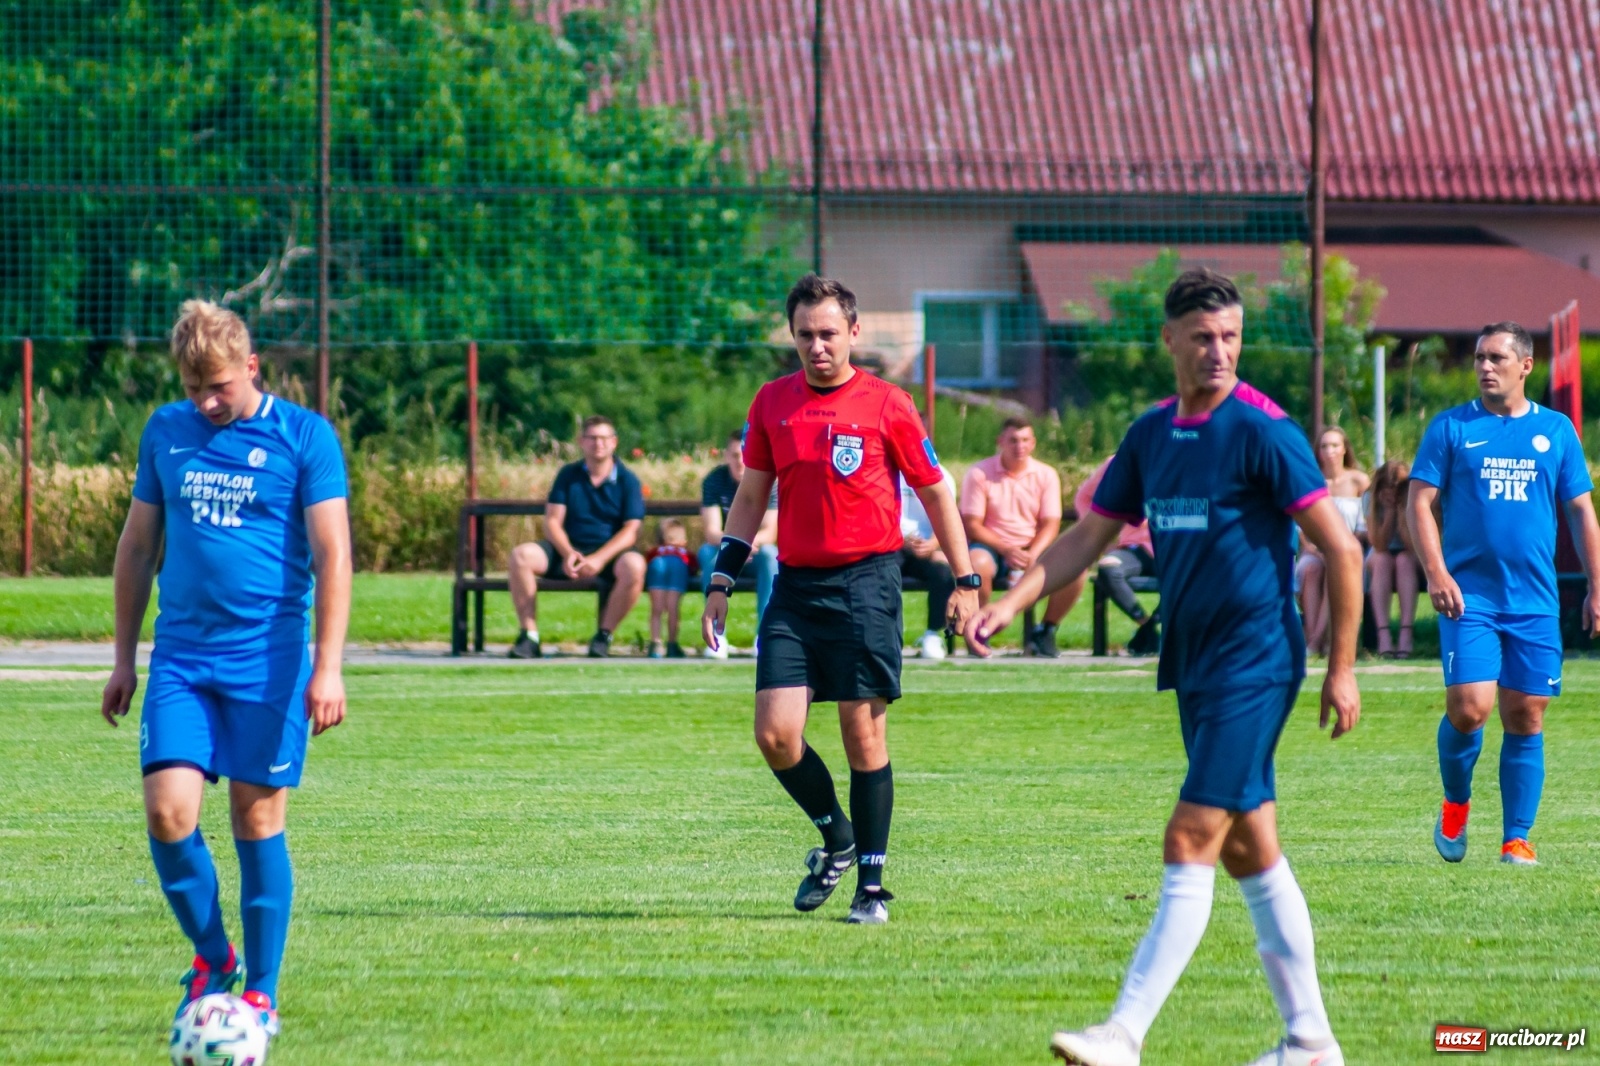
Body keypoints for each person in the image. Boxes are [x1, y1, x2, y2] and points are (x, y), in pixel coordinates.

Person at [966, 269, 1362, 1066]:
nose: (1220, 352)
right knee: (1251, 848)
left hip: (1257, 659)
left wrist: (1341, 669)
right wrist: (1013, 602)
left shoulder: (1266, 431)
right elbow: (1088, 536)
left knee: (1190, 837)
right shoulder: (1151, 435)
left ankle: (1123, 1033)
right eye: (1204, 338)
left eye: (1232, 338)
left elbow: (1342, 550)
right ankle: (1311, 1044)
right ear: (1171, 341)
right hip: (1194, 660)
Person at [99, 300, 351, 1044]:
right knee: (168, 811)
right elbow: (139, 547)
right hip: (181, 656)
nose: (207, 402)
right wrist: (122, 657)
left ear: (251, 368)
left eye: (219, 386)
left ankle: (263, 997)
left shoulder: (305, 437)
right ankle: (214, 960)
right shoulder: (166, 433)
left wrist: (329, 667)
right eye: (193, 387)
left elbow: (334, 555)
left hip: (269, 662)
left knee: (256, 817)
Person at [701, 274, 980, 925]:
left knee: (863, 734)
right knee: (775, 735)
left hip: (866, 584)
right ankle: (839, 840)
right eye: (805, 335)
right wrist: (721, 578)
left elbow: (937, 492)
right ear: (792, 337)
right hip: (796, 589)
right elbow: (750, 495)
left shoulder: (889, 405)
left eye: (829, 333)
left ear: (854, 332)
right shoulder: (772, 402)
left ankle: (872, 889)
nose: (817, 346)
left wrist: (965, 581)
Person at [1408, 321, 1600, 868]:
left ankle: (1516, 837)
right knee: (1470, 710)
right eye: (1478, 358)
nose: (1485, 367)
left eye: (1496, 357)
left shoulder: (1556, 431)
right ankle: (1455, 803)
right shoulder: (1451, 428)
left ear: (1525, 366)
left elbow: (1581, 510)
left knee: (1526, 715)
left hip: (1535, 602)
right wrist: (1437, 572)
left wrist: (1595, 587)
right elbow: (1419, 503)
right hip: (1469, 599)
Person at [507, 415, 647, 659]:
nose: (598, 444)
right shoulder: (568, 475)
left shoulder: (628, 480)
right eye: (592, 438)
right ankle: (529, 636)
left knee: (635, 566)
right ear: (581, 441)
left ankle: (604, 637)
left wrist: (599, 559)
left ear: (614, 442)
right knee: (521, 556)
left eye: (604, 438)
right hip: (567, 549)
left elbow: (631, 531)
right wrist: (569, 553)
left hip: (609, 554)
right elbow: (552, 521)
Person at [960, 416, 1074, 656]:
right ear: (1000, 441)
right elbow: (972, 524)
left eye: (1025, 440)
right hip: (991, 544)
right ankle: (980, 629)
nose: (1019, 446)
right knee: (976, 564)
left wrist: (1031, 554)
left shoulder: (1046, 475)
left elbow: (1050, 523)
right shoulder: (979, 473)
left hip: (1032, 545)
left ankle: (1046, 631)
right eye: (1013, 440)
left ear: (1033, 443)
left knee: (1076, 569)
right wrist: (1006, 549)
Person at [698, 427, 779, 658]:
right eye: (734, 455)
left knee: (771, 556)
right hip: (722, 549)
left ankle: (763, 635)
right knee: (708, 555)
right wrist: (737, 546)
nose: (740, 461)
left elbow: (769, 533)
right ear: (726, 456)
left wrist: (743, 545)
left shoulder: (770, 481)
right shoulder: (714, 480)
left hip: (756, 551)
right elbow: (712, 531)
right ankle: (716, 635)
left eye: (745, 454)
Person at [1075, 454, 1160, 656]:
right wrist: (1102, 538)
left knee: (1192, 573)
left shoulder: (1183, 454)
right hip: (1135, 546)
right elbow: (1084, 498)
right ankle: (1147, 626)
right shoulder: (1118, 462)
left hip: (1173, 546)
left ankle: (1149, 632)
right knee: (1108, 566)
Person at [1295, 427, 1369, 654]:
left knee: (1338, 567)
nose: (1330, 451)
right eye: (1324, 446)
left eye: (1335, 445)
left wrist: (1339, 549)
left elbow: (1365, 524)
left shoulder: (1359, 481)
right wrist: (1318, 550)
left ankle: (1317, 641)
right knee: (1311, 570)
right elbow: (1301, 529)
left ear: (1345, 449)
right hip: (1313, 551)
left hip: (1348, 549)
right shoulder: (1310, 480)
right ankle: (1313, 636)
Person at [900, 467, 959, 660]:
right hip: (889, 546)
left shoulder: (942, 474)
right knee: (880, 572)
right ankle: (885, 633)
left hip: (925, 550)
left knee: (942, 572)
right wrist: (899, 540)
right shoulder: (882, 468)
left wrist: (933, 543)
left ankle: (933, 635)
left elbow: (947, 517)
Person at [1366, 460, 1420, 657]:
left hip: (1409, 552)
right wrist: (1389, 513)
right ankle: (1384, 635)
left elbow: (1412, 545)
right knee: (1383, 560)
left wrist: (1401, 511)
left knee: (1404, 561)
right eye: (1388, 486)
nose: (1393, 491)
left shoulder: (1414, 497)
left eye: (1398, 486)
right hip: (1380, 553)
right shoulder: (1369, 498)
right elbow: (1379, 545)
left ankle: (1406, 633)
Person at [645, 518, 697, 658]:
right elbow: (693, 567)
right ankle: (672, 644)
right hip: (678, 566)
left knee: (657, 609)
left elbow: (646, 562)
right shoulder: (684, 554)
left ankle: (655, 644)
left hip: (657, 565)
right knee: (673, 609)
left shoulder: (655, 552)